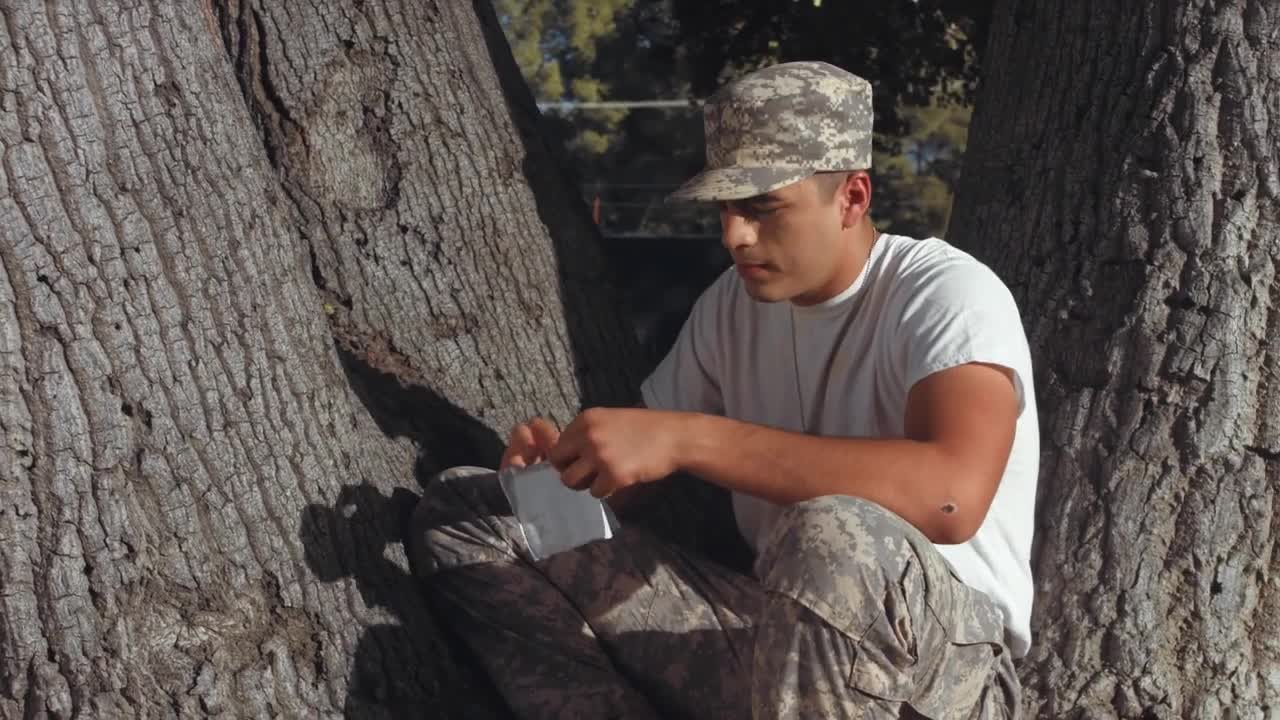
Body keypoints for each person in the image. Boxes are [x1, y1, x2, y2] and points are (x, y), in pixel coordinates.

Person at [411, 61, 1037, 719]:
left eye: (763, 209)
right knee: (471, 512)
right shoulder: (730, 306)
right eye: (726, 209)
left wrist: (687, 437)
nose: (734, 236)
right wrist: (566, 475)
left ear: (851, 197)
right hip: (774, 648)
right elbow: (633, 481)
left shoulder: (945, 292)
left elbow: (949, 498)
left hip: (940, 679)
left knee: (829, 531)